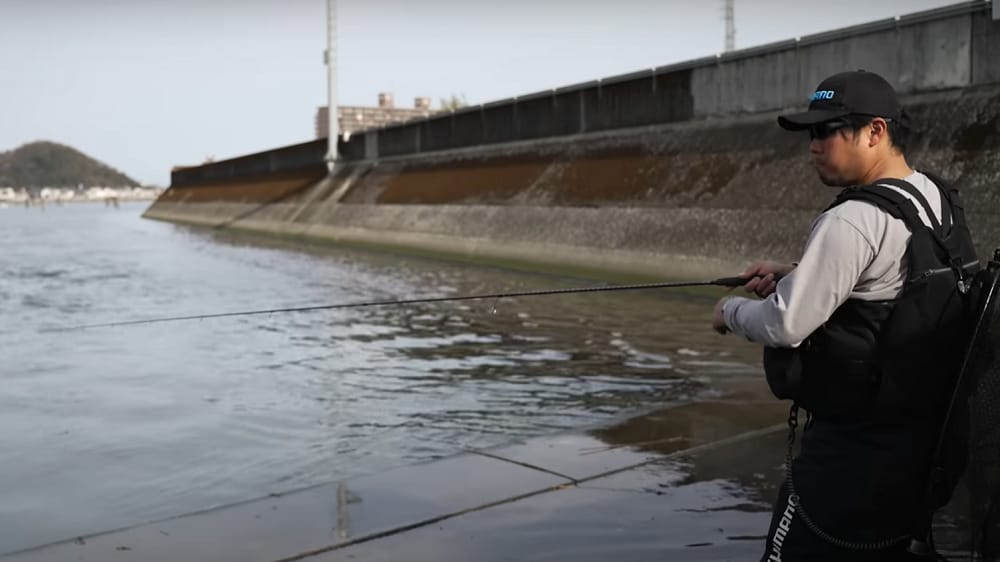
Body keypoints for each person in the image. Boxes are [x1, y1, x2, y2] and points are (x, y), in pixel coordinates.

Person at [710, 70, 979, 561]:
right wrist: (795, 271)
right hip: (925, 446)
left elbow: (784, 324)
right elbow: (898, 279)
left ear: (875, 131)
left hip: (854, 451)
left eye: (826, 131)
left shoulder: (850, 219)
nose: (813, 145)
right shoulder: (935, 198)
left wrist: (729, 311)